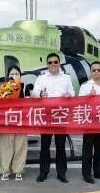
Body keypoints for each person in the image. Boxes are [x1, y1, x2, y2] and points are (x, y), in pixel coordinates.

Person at [32, 53, 75, 183]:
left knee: (60, 145)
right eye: (50, 62)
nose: (53, 64)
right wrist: (40, 93)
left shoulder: (66, 78)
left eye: (55, 62)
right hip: (46, 114)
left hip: (61, 114)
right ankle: (43, 172)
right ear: (47, 64)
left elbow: (73, 93)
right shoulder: (41, 78)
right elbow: (34, 93)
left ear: (59, 63)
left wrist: (69, 95)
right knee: (45, 145)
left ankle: (61, 173)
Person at [78, 61, 100, 184]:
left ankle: (98, 172)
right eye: (94, 70)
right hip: (89, 120)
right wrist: (89, 96)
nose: (96, 72)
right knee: (87, 148)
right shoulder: (85, 86)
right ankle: (86, 174)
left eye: (99, 70)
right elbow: (79, 103)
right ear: (91, 72)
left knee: (99, 147)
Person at [0, 65, 27, 182]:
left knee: (20, 146)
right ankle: (5, 170)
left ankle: (18, 170)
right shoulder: (3, 88)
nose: (14, 76)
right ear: (8, 76)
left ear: (20, 76)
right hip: (6, 120)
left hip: (21, 120)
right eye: (12, 74)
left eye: (16, 74)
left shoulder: (24, 87)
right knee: (5, 146)